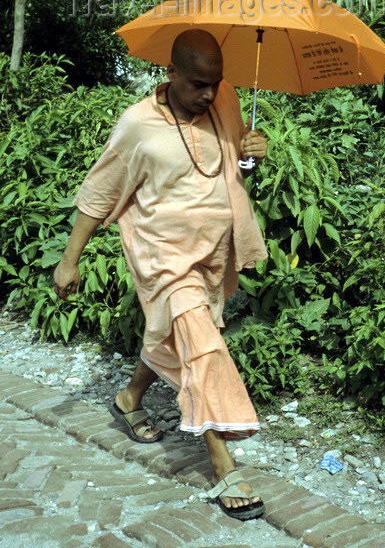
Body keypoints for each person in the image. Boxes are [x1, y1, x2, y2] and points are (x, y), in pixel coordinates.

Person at [53, 29, 268, 520]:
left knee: (181, 334)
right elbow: (100, 193)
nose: (208, 94)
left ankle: (129, 397)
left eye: (215, 83)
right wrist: (70, 259)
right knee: (201, 344)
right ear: (170, 73)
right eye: (197, 84)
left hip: (215, 253)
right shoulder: (137, 125)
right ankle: (222, 466)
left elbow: (229, 166)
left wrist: (253, 152)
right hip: (162, 256)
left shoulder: (228, 100)